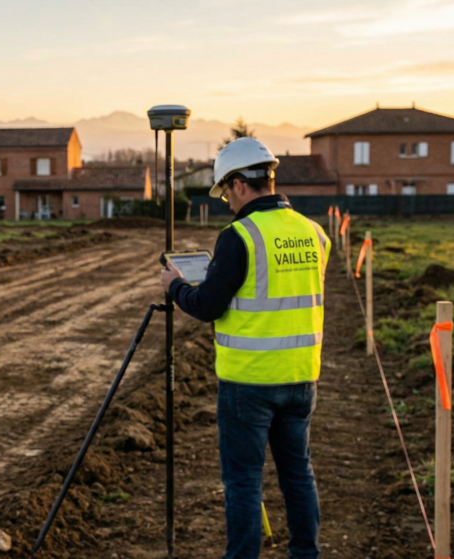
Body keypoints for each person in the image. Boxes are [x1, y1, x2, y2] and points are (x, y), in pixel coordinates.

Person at [159, 137, 330, 559]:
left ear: (238, 184)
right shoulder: (314, 232)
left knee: (243, 482)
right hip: (301, 377)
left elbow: (207, 305)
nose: (227, 203)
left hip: (249, 383)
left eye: (225, 193)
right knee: (298, 475)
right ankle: (306, 554)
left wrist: (176, 285)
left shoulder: (239, 235)